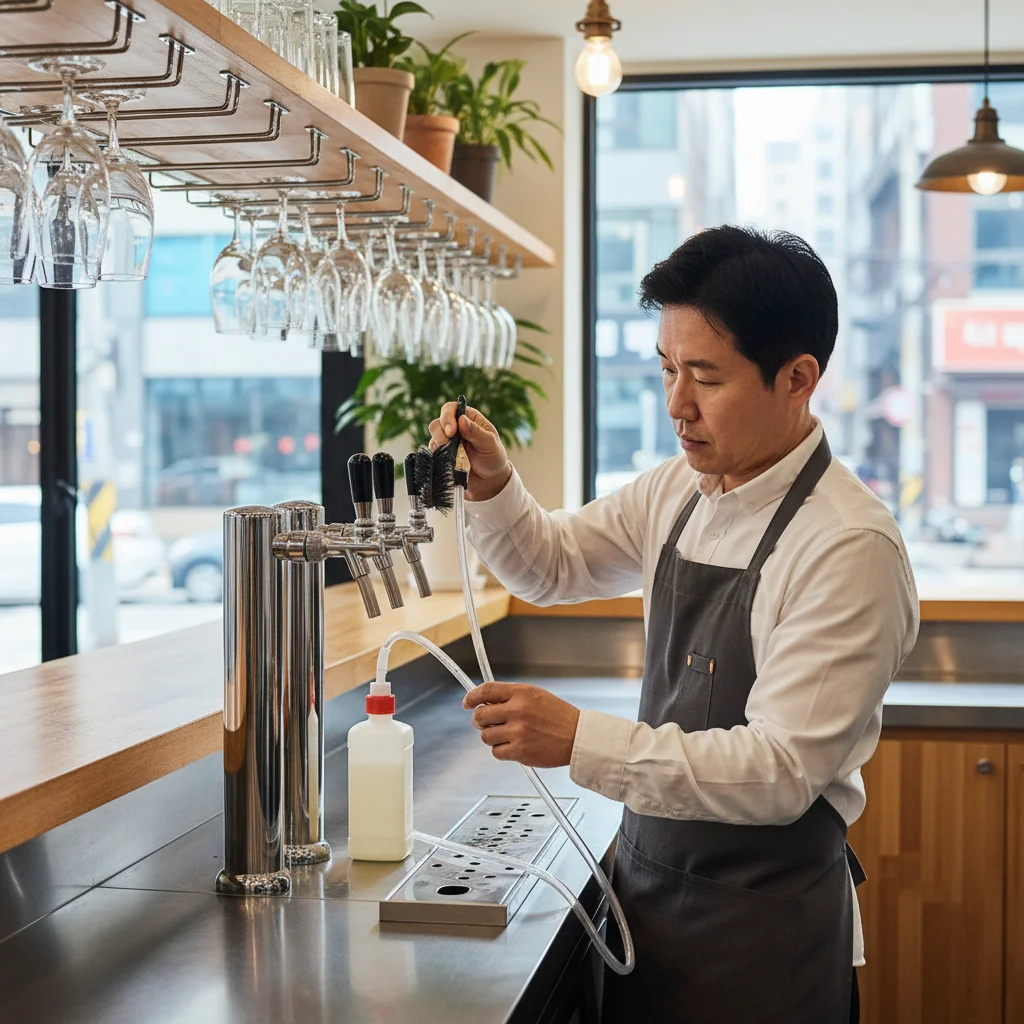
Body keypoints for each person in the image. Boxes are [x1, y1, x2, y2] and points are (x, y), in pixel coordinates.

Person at [429, 225, 918, 1024]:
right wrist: (493, 481)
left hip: (763, 941)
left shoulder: (847, 545)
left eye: (706, 378)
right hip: (647, 898)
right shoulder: (679, 490)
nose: (677, 406)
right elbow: (550, 565)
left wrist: (579, 740)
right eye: (666, 370)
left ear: (798, 378)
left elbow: (779, 769)